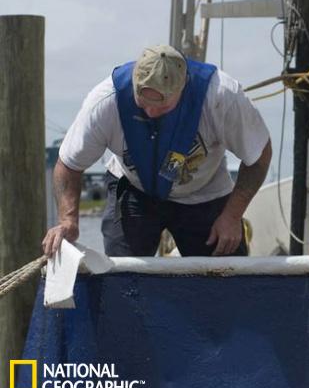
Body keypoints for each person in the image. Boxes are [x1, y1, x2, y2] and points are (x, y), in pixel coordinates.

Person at [42, 45, 271, 257]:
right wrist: (68, 220)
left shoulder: (221, 96)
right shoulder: (105, 102)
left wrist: (232, 216)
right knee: (122, 277)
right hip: (134, 189)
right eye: (143, 103)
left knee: (227, 275)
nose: (151, 112)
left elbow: (259, 156)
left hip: (205, 192)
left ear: (183, 88)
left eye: (162, 106)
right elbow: (69, 165)